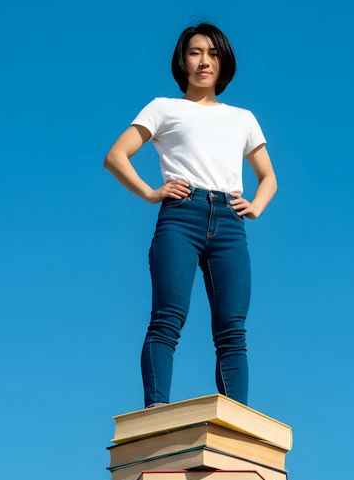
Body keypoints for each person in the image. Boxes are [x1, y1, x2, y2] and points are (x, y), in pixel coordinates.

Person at [103, 22, 277, 409]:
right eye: (196, 52)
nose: (204, 61)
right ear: (182, 61)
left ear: (224, 62)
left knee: (232, 331)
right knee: (167, 320)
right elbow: (116, 156)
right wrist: (150, 192)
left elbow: (268, 177)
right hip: (181, 217)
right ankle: (155, 411)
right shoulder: (164, 108)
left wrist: (257, 205)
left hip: (230, 225)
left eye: (213, 54)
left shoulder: (243, 118)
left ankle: (236, 423)